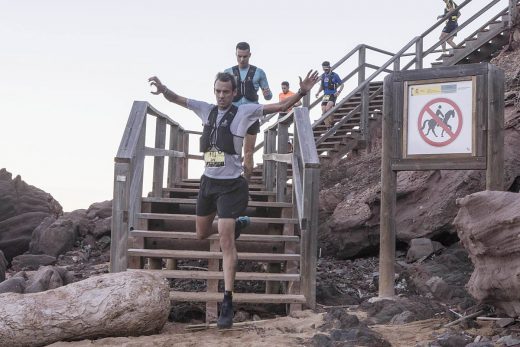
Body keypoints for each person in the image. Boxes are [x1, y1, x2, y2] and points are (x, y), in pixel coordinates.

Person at [148, 69, 319, 329]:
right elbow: (178, 100)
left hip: (231, 186)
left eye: (226, 92)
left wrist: (303, 92)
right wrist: (163, 89)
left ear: (234, 93)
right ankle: (239, 224)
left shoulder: (245, 111)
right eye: (218, 91)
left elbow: (282, 105)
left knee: (226, 241)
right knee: (201, 235)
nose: (221, 96)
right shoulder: (206, 110)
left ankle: (227, 301)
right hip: (208, 183)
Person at [224, 42, 272, 181]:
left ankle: (245, 184)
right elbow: (220, 94)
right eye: (239, 56)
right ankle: (230, 180)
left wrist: (267, 93)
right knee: (231, 151)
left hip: (252, 115)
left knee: (249, 152)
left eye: (245, 56)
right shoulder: (228, 72)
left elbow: (268, 96)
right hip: (234, 115)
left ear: (250, 55)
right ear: (236, 55)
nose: (242, 59)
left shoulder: (259, 72)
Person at [314, 61, 344, 129]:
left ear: (329, 67)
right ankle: (328, 126)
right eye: (324, 69)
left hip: (333, 94)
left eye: (326, 69)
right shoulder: (323, 76)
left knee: (328, 108)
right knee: (323, 109)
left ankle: (332, 122)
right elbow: (322, 86)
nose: (325, 70)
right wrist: (318, 92)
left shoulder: (335, 75)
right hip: (326, 95)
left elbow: (342, 84)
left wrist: (339, 91)